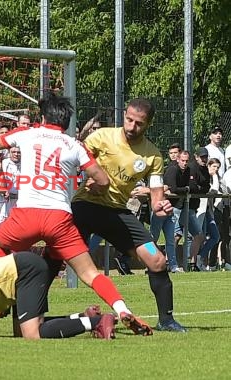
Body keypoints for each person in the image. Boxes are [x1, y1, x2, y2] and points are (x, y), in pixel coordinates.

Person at [0, 92, 152, 336]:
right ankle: (122, 309)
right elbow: (102, 179)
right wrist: (90, 185)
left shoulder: (28, 133)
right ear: (67, 121)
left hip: (26, 215)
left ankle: (0, 293)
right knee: (90, 273)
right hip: (59, 219)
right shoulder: (74, 144)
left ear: (42, 116)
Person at [71, 98, 186, 332]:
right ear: (124, 115)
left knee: (157, 260)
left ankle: (166, 320)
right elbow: (74, 160)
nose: (132, 127)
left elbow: (155, 195)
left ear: (149, 124)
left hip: (116, 212)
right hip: (85, 206)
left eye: (139, 123)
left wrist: (158, 206)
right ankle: (32, 316)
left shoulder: (152, 155)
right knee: (54, 259)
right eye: (129, 120)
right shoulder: (101, 136)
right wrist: (88, 176)